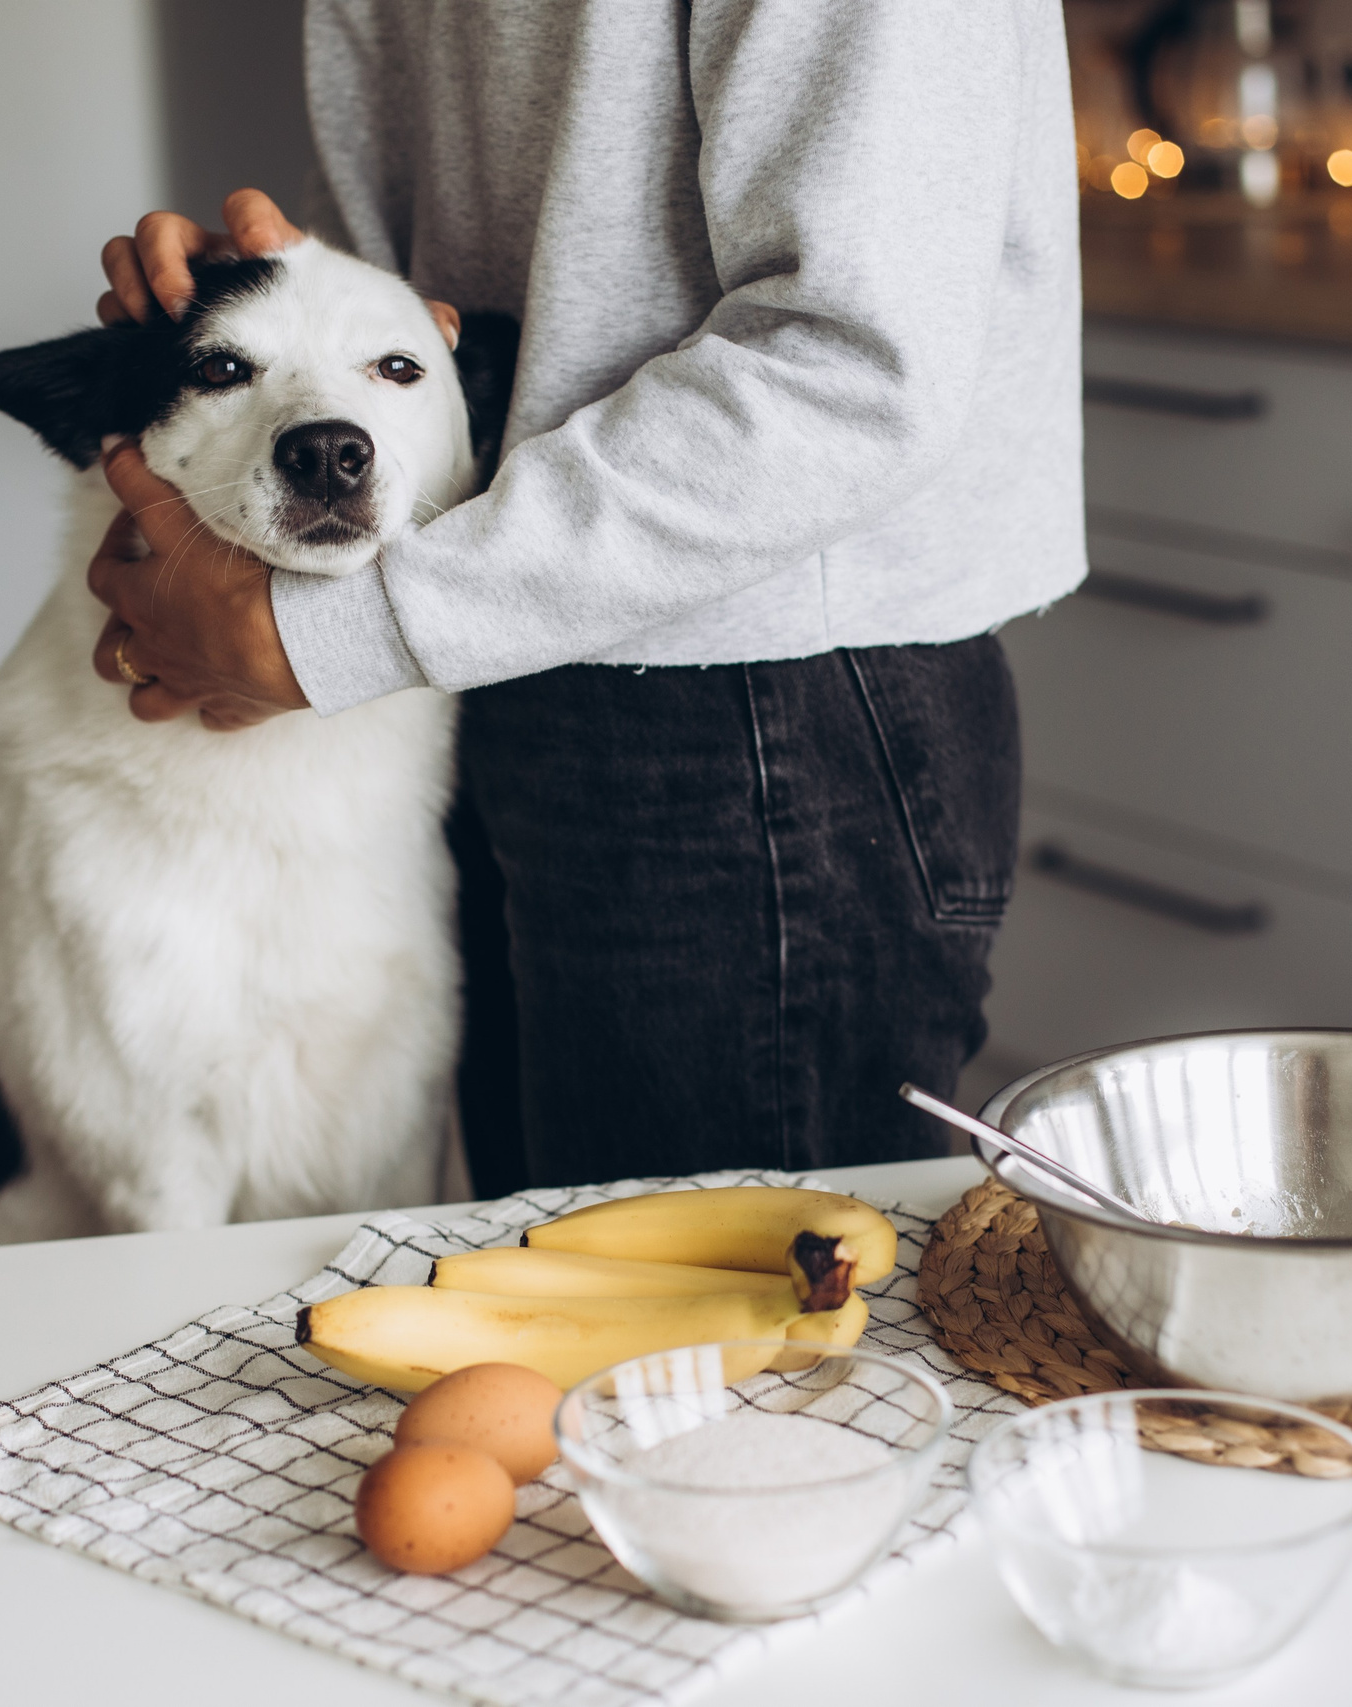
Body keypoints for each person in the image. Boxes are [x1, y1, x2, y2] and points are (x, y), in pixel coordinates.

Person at [83, 3, 1085, 1194]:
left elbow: (853, 364)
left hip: (759, 696)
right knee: (555, 1311)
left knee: (734, 1350)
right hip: (491, 636)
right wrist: (295, 311)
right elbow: (452, 277)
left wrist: (331, 634)